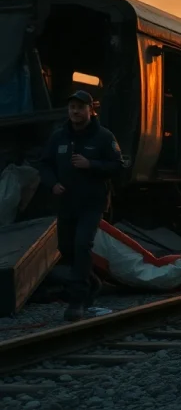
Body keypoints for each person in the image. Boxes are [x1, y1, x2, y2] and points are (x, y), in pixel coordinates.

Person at [38, 90, 125, 322]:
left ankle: (77, 301)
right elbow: (44, 165)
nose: (75, 111)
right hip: (66, 203)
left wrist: (91, 164)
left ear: (91, 110)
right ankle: (93, 282)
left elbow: (117, 166)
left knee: (82, 244)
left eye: (80, 107)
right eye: (72, 107)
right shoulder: (59, 137)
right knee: (66, 249)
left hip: (92, 202)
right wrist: (53, 183)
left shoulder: (104, 137)